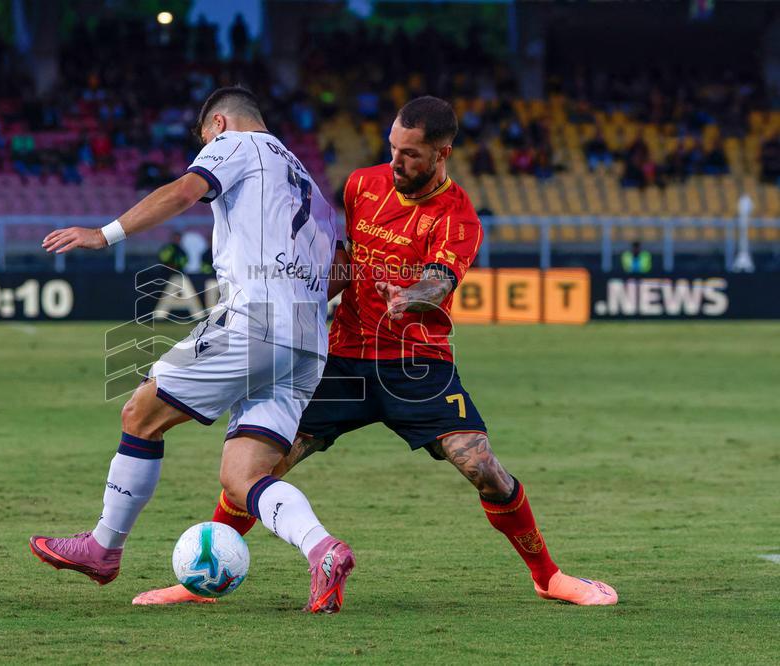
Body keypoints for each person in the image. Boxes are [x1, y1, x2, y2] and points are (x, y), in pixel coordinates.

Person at [135, 96, 618, 608]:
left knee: (482, 467)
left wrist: (406, 297)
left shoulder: (458, 217)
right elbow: (341, 263)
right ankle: (202, 581)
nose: (396, 162)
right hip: (342, 357)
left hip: (416, 364)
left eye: (410, 154)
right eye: (392, 148)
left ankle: (548, 577)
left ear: (441, 154)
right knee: (257, 468)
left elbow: (439, 283)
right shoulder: (363, 185)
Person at [31, 87, 356, 614]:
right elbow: (340, 269)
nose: (205, 148)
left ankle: (103, 548)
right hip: (307, 339)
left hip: (256, 320)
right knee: (245, 478)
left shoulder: (236, 144)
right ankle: (324, 550)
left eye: (204, 138)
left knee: (141, 414)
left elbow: (184, 191)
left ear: (218, 124)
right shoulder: (309, 184)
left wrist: (102, 234)